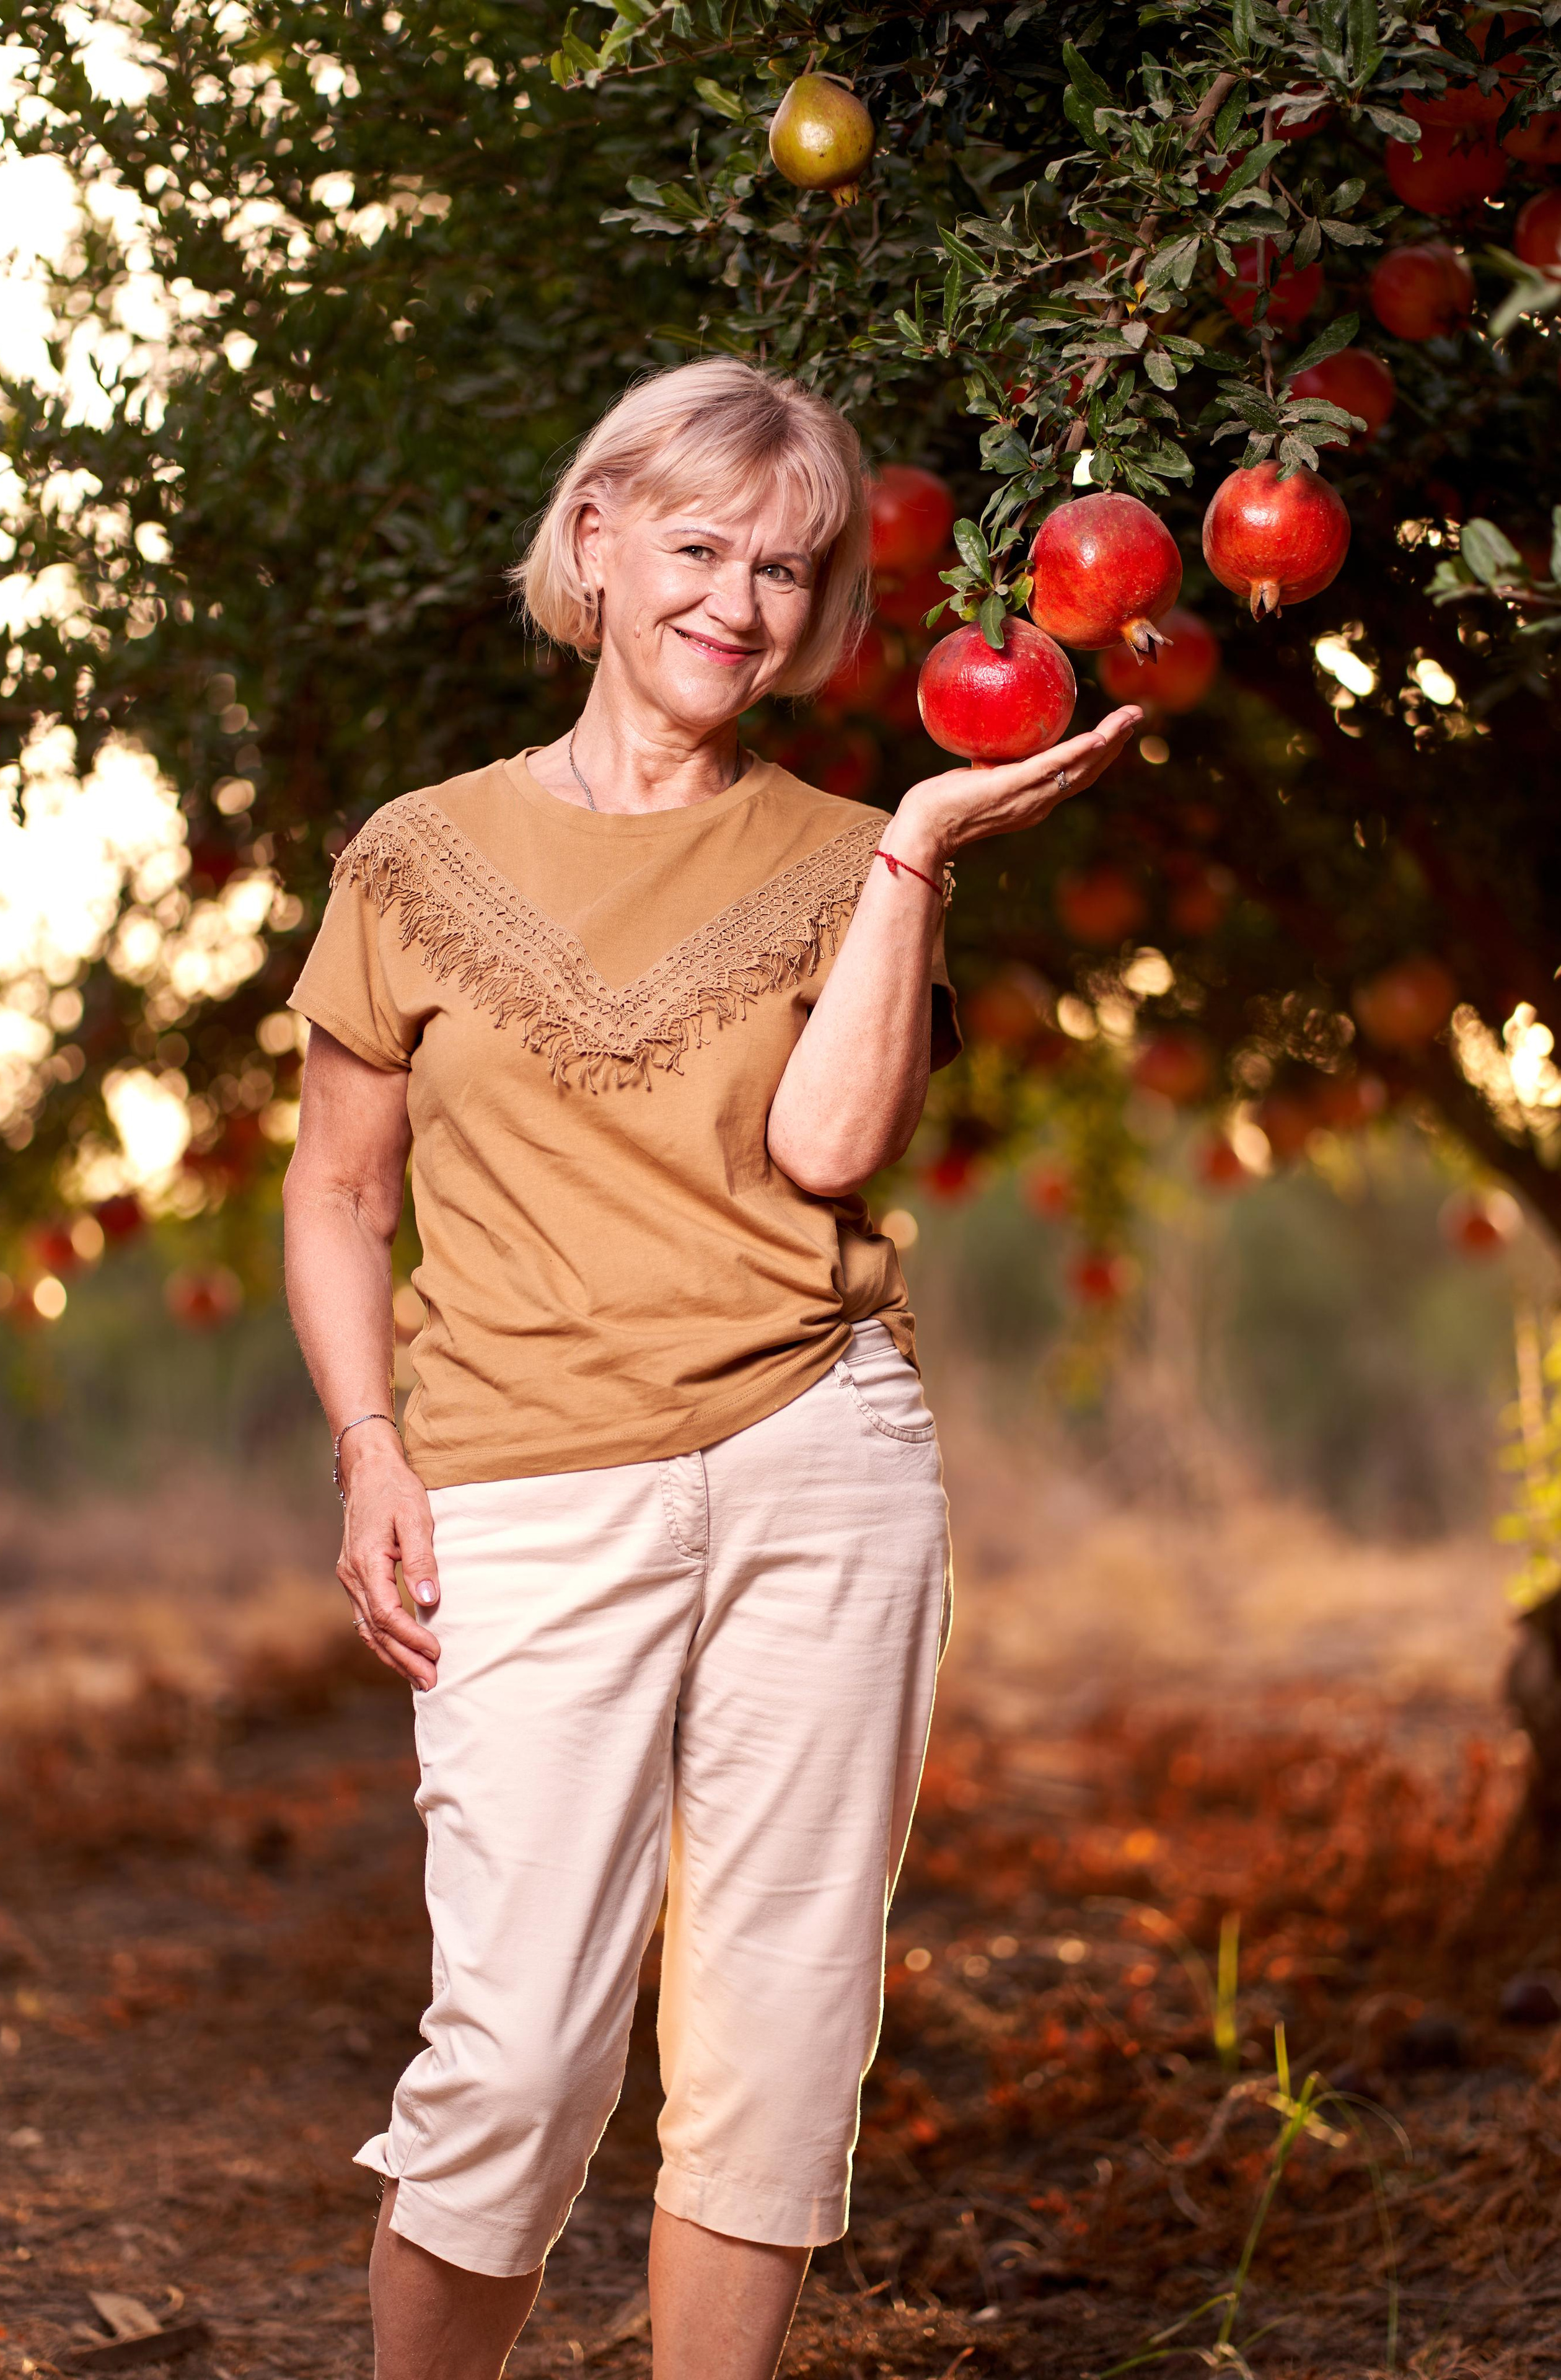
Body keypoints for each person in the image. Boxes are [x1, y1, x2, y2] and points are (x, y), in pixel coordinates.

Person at [283, 355, 1140, 2380]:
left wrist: (921, 848)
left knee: (777, 2025)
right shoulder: (411, 859)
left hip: (819, 1458)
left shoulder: (848, 848)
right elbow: (336, 1193)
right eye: (696, 549)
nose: (737, 605)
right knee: (512, 2052)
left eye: (786, 569)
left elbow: (832, 1155)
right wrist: (366, 1449)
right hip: (517, 1484)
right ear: (592, 544)